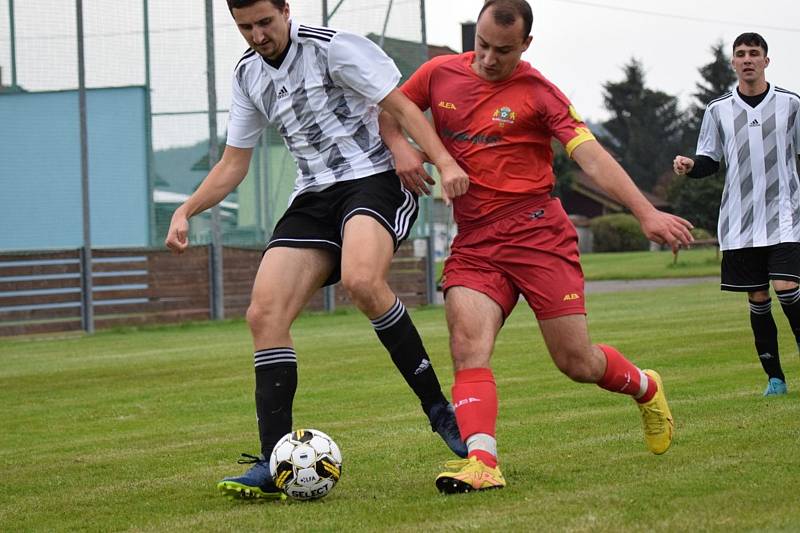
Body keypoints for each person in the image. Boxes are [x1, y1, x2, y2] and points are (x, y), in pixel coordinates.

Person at [379, 0, 694, 494]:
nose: (487, 58)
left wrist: (645, 212)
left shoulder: (540, 93)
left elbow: (591, 158)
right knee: (468, 348)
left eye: (502, 50)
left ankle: (646, 386)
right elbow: (391, 109)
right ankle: (483, 462)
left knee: (576, 362)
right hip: (477, 243)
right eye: (481, 44)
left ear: (525, 45)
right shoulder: (439, 73)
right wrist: (401, 151)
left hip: (538, 235)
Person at [165, 0, 471, 501]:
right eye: (246, 27)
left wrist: (443, 162)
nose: (258, 35)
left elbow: (400, 106)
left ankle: (439, 410)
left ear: (286, 10)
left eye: (266, 22)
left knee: (362, 281)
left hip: (373, 179)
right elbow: (232, 163)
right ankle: (271, 460)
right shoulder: (247, 76)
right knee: (264, 313)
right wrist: (186, 211)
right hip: (313, 195)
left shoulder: (334, 49)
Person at [674, 33, 800, 397]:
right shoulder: (718, 110)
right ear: (733, 62)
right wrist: (689, 165)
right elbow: (709, 160)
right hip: (740, 223)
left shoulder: (791, 105)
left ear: (766, 61)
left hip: (786, 216)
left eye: (754, 54)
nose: (747, 59)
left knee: (788, 289)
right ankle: (775, 379)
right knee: (758, 298)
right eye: (741, 54)